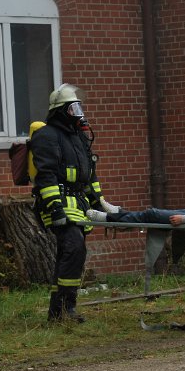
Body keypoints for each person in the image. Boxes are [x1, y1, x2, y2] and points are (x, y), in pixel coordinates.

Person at [30, 83, 121, 323]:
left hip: (78, 203)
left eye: (78, 107)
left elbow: (89, 174)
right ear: (60, 111)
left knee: (69, 254)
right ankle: (65, 309)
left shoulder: (78, 137)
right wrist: (56, 208)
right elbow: (45, 175)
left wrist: (99, 203)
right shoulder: (46, 136)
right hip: (57, 203)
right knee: (73, 249)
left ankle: (58, 310)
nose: (78, 113)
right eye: (73, 108)